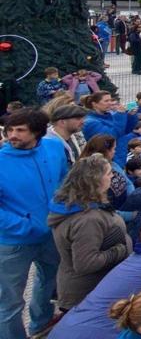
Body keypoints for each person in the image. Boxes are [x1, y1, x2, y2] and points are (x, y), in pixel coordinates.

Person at [0, 108, 67, 339]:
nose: (12, 136)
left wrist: (60, 210)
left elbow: (62, 181)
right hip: (12, 243)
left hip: (50, 235)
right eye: (9, 130)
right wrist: (25, 225)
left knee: (48, 283)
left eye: (20, 130)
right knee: (9, 302)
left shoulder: (54, 147)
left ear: (37, 132)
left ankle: (40, 327)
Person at [48, 153, 133, 311]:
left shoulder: (86, 205)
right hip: (86, 294)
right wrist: (120, 250)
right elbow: (86, 263)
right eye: (109, 174)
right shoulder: (88, 220)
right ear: (96, 181)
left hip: (94, 289)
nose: (112, 176)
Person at [82, 91, 139, 170]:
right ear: (94, 104)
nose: (110, 103)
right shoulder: (90, 122)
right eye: (106, 101)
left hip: (119, 156)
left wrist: (131, 116)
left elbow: (125, 130)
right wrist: (120, 115)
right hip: (106, 162)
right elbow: (111, 136)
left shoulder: (110, 115)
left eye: (110, 100)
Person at [46, 103, 88, 168]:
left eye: (83, 118)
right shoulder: (47, 144)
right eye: (78, 119)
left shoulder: (73, 137)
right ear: (62, 122)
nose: (83, 122)